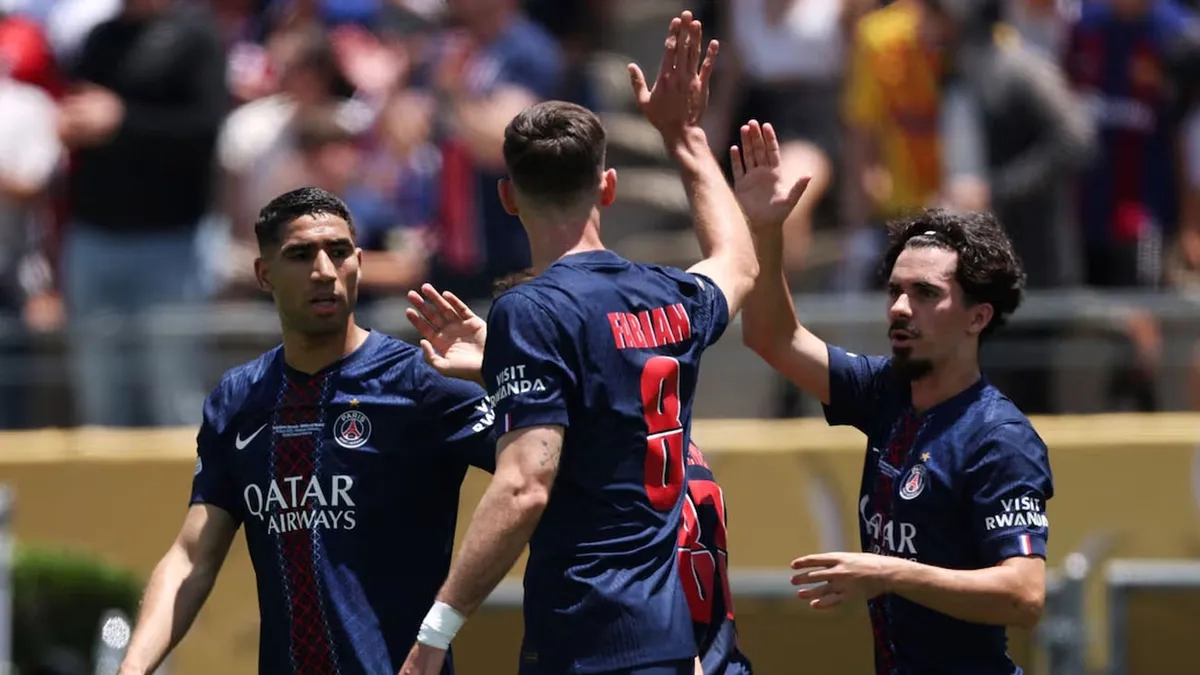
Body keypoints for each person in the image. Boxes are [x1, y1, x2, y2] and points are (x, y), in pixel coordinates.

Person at [398, 10, 780, 675]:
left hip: (587, 636)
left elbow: (524, 487)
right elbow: (738, 262)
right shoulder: (667, 295)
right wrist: (685, 135)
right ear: (607, 185)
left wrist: (435, 631)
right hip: (667, 640)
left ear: (508, 197)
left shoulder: (532, 309)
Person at [115, 187, 497, 675]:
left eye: (338, 252)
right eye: (300, 255)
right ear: (263, 274)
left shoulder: (421, 381)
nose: (323, 271)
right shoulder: (238, 400)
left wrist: (501, 371)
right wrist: (131, 670)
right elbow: (192, 557)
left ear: (358, 262)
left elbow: (535, 474)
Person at [740, 190, 1054, 671]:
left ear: (978, 316)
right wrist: (765, 231)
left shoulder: (999, 437)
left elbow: (1023, 595)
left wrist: (888, 572)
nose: (900, 308)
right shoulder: (884, 391)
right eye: (895, 291)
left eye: (925, 293)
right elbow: (772, 337)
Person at [403, 274, 756, 674]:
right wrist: (503, 374)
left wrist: (435, 632)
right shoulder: (659, 439)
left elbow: (531, 476)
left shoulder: (594, 473)